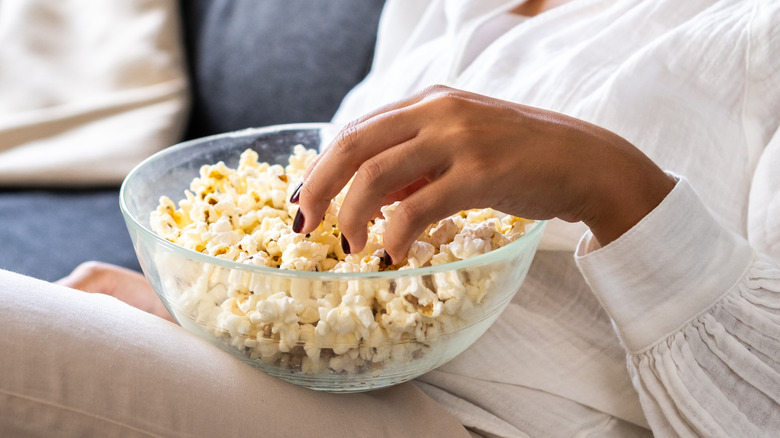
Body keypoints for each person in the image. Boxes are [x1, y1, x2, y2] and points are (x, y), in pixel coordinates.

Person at [3, 0, 779, 436]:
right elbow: (342, 251)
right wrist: (203, 322)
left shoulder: (755, 35)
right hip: (318, 384)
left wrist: (609, 184)